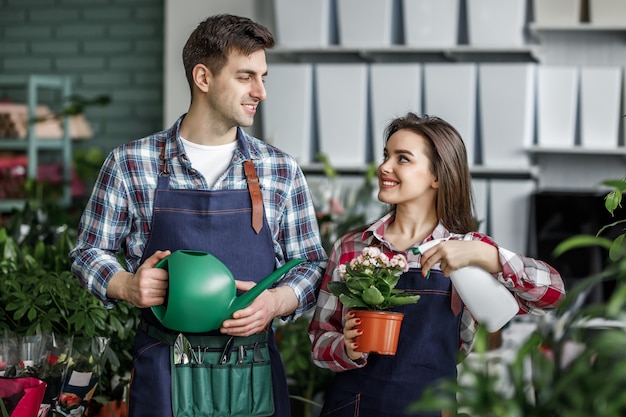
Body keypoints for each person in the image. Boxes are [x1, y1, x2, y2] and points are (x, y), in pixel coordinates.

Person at [69, 13, 326, 417]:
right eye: (246, 77)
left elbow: (311, 264)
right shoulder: (130, 163)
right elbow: (87, 252)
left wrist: (276, 301)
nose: (260, 91)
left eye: (263, 77)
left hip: (251, 374)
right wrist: (124, 284)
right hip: (164, 373)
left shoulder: (279, 169)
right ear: (203, 78)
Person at [308, 113, 565, 417]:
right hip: (353, 407)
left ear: (437, 176)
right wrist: (346, 347)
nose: (384, 168)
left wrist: (485, 255)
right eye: (386, 156)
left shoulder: (467, 251)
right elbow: (319, 339)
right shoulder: (354, 246)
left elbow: (553, 294)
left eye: (402, 159)